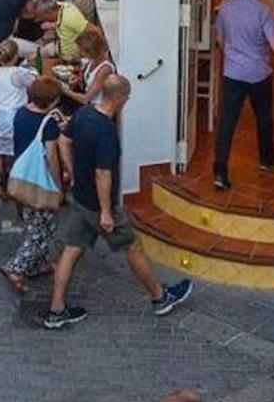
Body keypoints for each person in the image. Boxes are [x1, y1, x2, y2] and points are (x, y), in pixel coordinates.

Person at [45, 76, 193, 330]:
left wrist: (73, 171)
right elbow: (104, 174)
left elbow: (63, 141)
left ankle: (56, 309)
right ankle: (160, 297)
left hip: (80, 197)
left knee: (71, 249)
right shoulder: (106, 131)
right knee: (132, 247)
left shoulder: (83, 114)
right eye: (127, 96)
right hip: (97, 205)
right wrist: (105, 212)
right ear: (120, 98)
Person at [212, 0, 274, 190]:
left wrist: (232, 55)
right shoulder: (263, 11)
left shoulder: (226, 7)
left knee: (226, 124)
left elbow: (219, 39)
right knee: (263, 118)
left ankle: (220, 172)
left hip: (233, 73)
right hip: (258, 74)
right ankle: (267, 158)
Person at [0, 76, 68, 294]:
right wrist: (57, 186)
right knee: (41, 230)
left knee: (34, 222)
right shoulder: (47, 125)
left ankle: (39, 264)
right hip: (41, 180)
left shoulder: (21, 113)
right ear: (51, 101)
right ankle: (16, 266)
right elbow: (51, 157)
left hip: (22, 176)